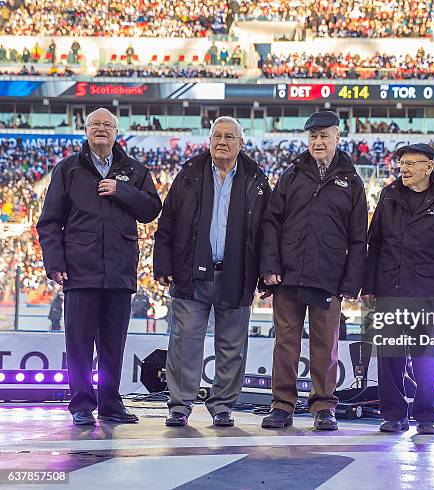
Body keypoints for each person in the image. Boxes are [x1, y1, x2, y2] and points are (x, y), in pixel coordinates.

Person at [36, 108, 162, 426]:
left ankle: (110, 403)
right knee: (78, 344)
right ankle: (81, 403)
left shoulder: (134, 170)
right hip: (80, 272)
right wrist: (55, 263)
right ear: (86, 130)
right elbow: (49, 222)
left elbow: (151, 209)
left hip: (119, 272)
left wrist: (123, 191)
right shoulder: (67, 170)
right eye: (96, 125)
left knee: (112, 344)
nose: (101, 129)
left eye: (108, 125)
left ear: (117, 132)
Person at [154, 116, 271, 427]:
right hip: (192, 272)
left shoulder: (256, 179)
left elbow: (267, 231)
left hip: (237, 274)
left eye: (229, 136)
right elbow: (167, 223)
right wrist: (163, 264)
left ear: (241, 143)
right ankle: (180, 405)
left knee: (232, 346)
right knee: (184, 342)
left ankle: (223, 406)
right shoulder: (189, 174)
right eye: (217, 135)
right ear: (208, 140)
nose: (222, 141)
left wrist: (267, 271)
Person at [259, 111, 368, 431]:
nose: (318, 142)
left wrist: (350, 282)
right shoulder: (291, 173)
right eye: (313, 137)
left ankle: (324, 406)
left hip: (328, 278)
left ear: (338, 137)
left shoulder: (352, 181)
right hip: (288, 276)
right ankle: (282, 406)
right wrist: (270, 267)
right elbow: (271, 222)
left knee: (325, 346)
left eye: (324, 136)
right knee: (286, 344)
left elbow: (359, 237)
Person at [362, 143, 434, 435]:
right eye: (402, 163)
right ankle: (394, 415)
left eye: (411, 163)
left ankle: (426, 417)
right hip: (390, 291)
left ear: (429, 166)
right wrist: (369, 285)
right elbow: (376, 244)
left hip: (428, 296)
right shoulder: (389, 195)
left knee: (426, 360)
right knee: (390, 358)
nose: (404, 169)